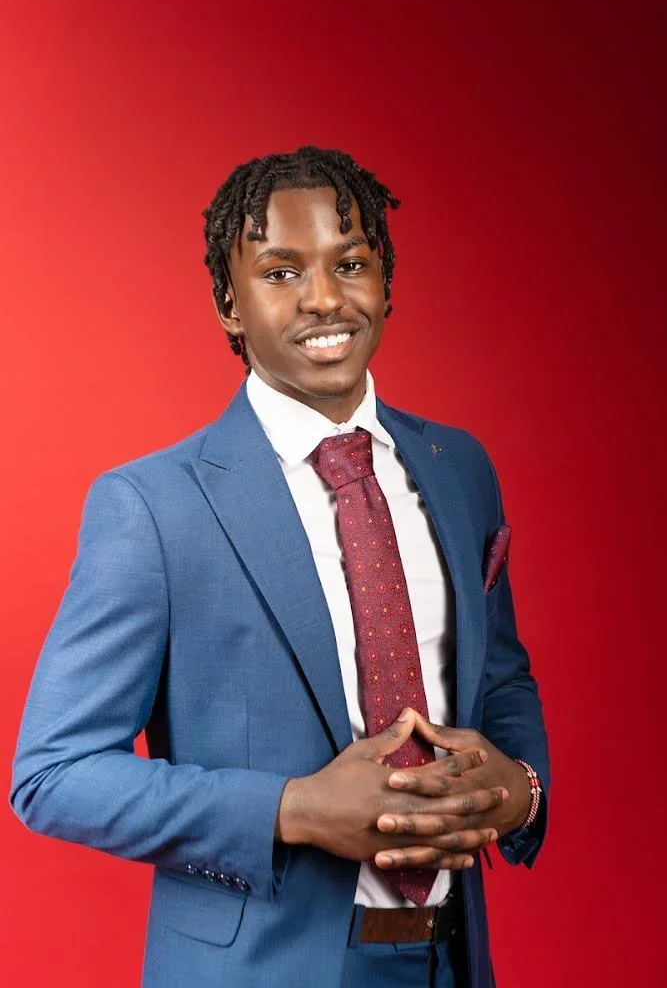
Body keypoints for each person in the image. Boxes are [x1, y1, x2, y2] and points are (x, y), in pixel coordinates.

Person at [10, 146, 550, 988]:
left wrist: (521, 791)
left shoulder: (459, 468)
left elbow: (502, 678)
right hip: (260, 968)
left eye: (352, 263)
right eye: (280, 271)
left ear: (386, 283)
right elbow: (54, 775)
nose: (325, 298)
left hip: (452, 957)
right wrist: (291, 810)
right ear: (230, 303)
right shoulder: (155, 507)